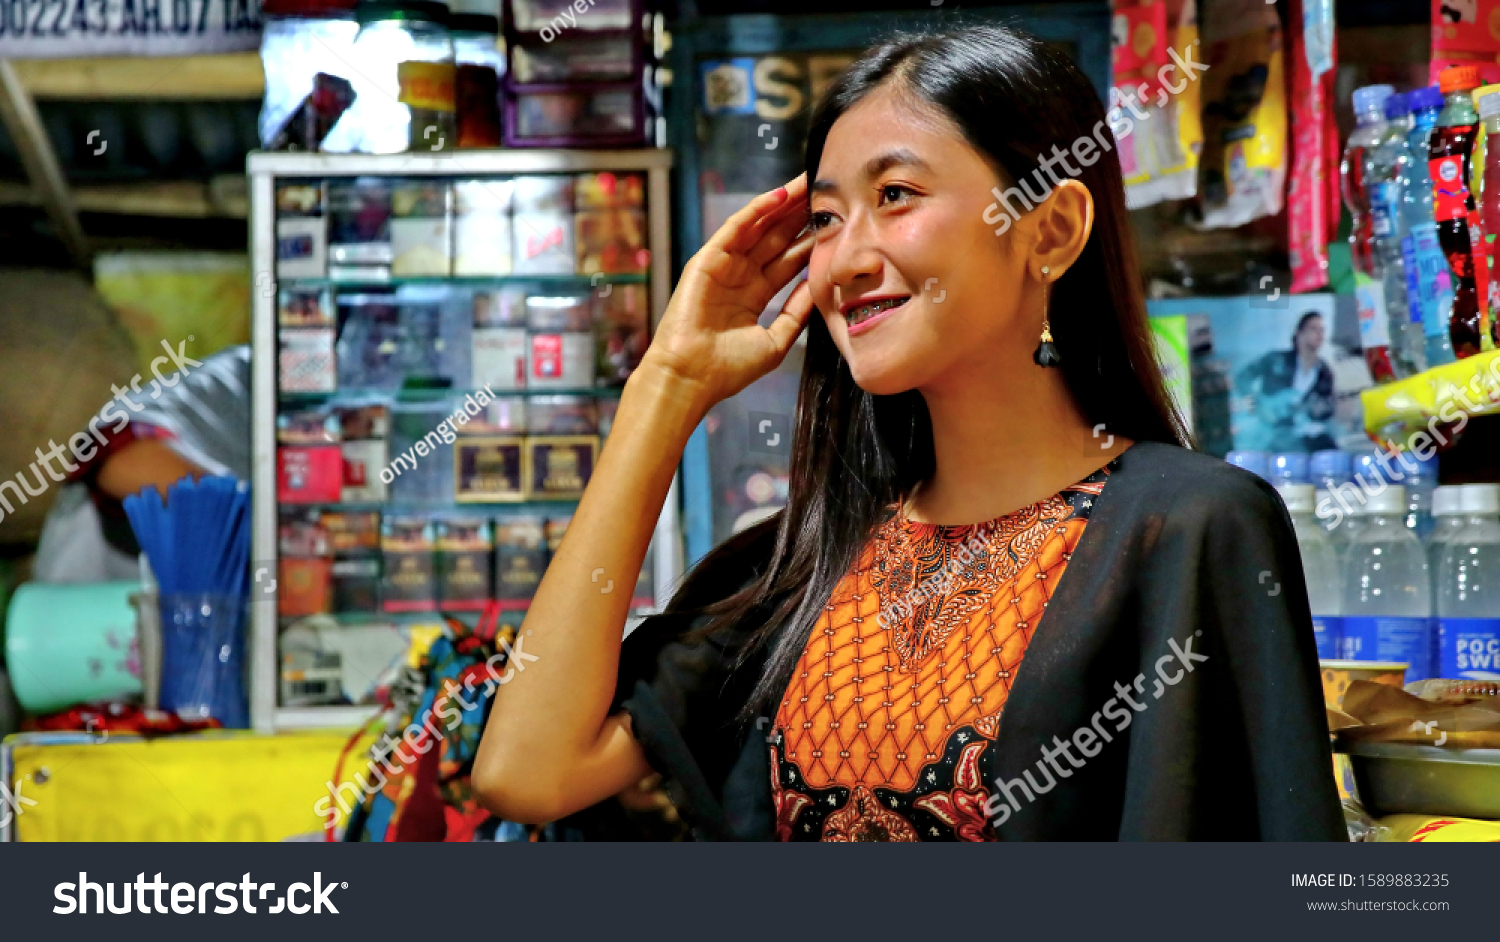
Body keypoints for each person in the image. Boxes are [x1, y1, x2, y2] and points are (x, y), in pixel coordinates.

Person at [473, 26, 1344, 841]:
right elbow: (527, 772)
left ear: (1052, 229)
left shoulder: (1189, 527)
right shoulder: (795, 568)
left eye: (896, 196)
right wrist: (664, 388)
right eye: (823, 218)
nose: (846, 258)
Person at [1235, 311, 1338, 453]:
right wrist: (1257, 403)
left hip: (1301, 435)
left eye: (1322, 330)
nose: (1319, 334)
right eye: (1313, 329)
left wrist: (1320, 410)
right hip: (1270, 434)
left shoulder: (1324, 372)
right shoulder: (1276, 359)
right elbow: (1242, 377)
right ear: (1299, 333)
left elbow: (1325, 410)